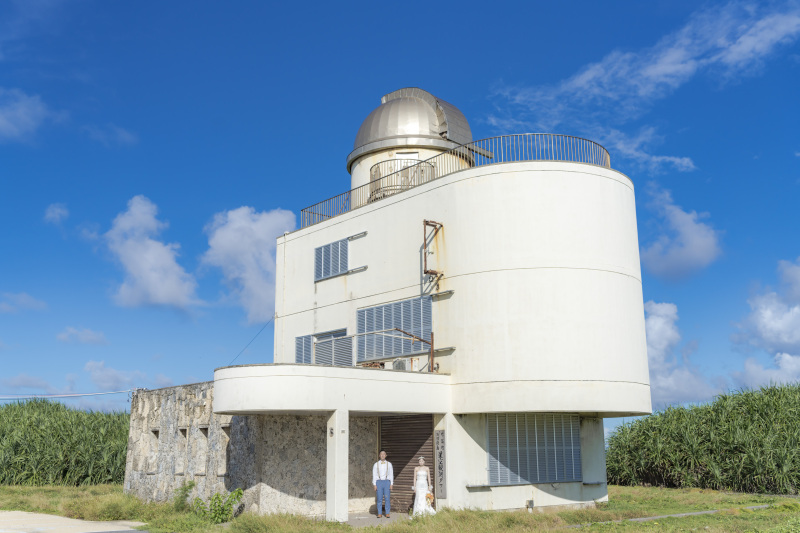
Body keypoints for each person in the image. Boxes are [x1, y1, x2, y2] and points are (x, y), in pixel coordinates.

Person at [372, 450, 394, 518]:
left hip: (387, 482)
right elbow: (374, 474)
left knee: (387, 498)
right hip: (379, 482)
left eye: (384, 454)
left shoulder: (389, 464)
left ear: (386, 455)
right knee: (379, 498)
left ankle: (387, 513)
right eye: (381, 454)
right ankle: (379, 513)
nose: (382, 455)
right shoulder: (376, 464)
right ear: (379, 455)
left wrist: (391, 483)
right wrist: (374, 484)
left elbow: (391, 474)